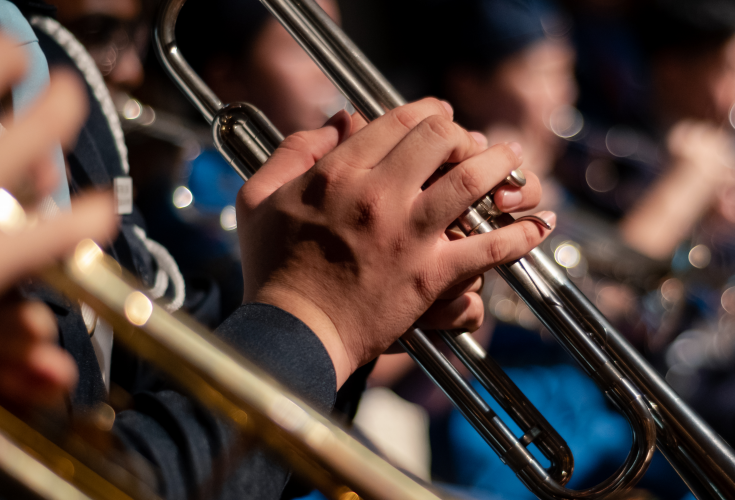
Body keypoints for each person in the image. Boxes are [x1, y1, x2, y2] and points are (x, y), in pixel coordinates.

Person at [0, 1, 555, 497]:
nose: (129, 68)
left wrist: (367, 290)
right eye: (300, 53)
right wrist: (315, 314)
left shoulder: (36, 48)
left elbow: (155, 359)